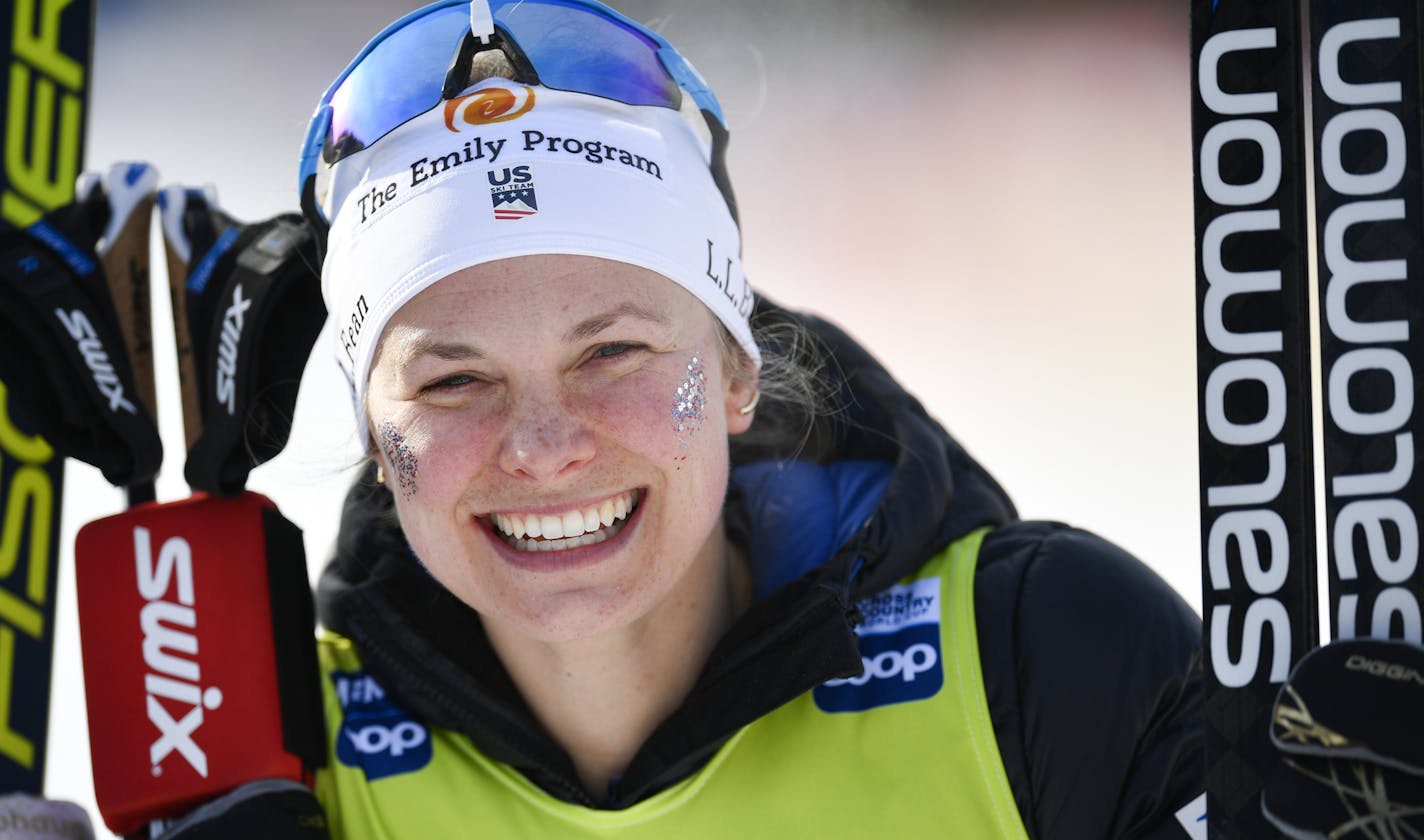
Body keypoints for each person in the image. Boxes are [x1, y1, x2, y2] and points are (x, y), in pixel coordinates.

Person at [171, 0, 1206, 836]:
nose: (541, 448)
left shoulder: (1042, 661)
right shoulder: (279, 763)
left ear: (735, 372)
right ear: (372, 434)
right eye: (451, 381)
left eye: (611, 352)